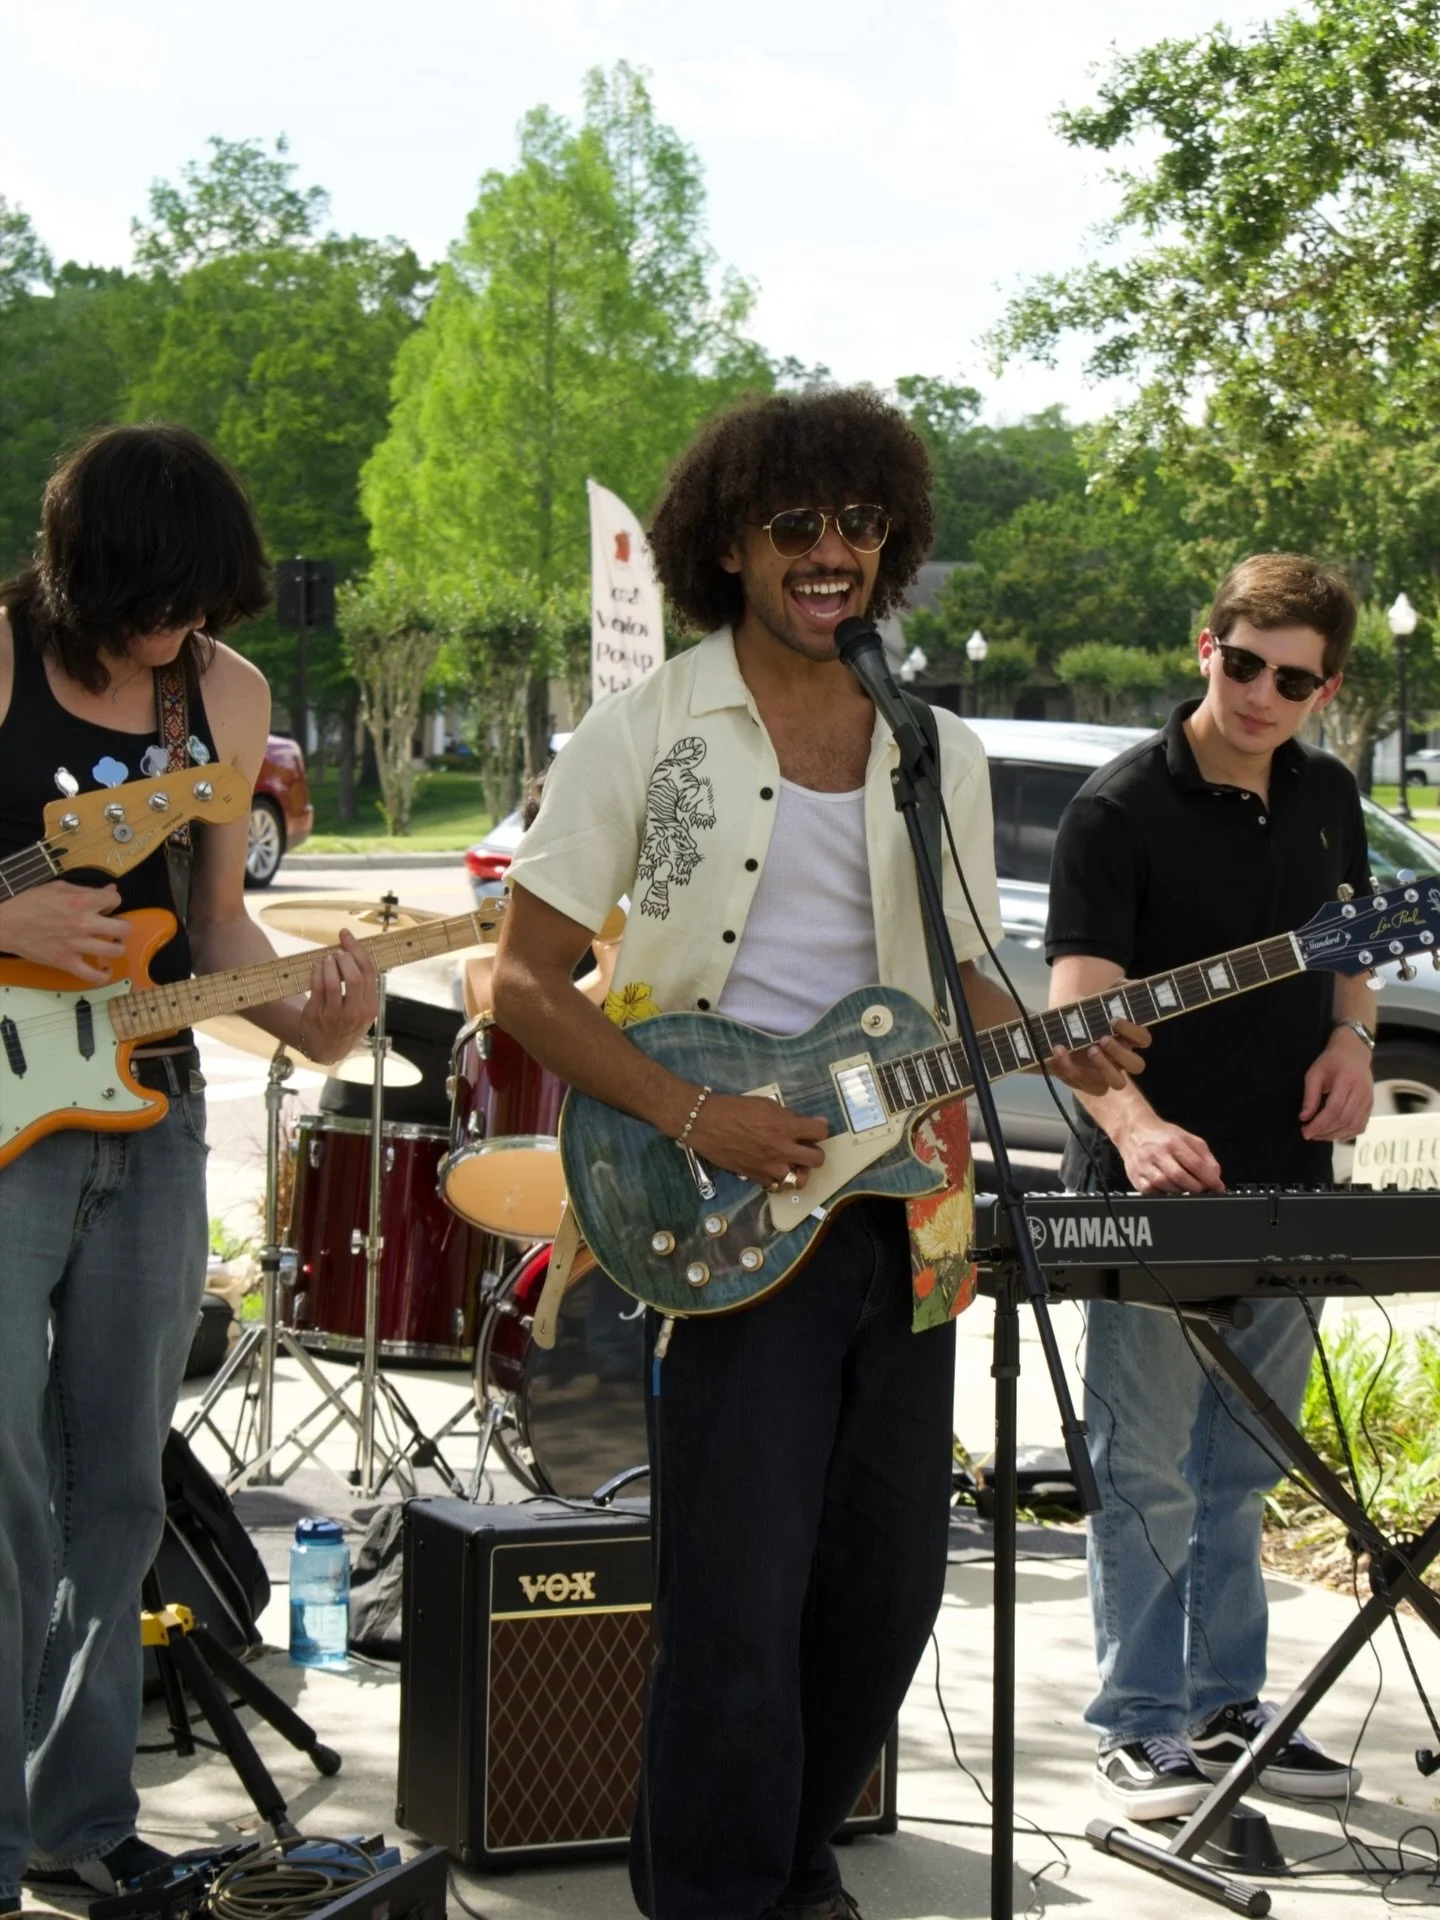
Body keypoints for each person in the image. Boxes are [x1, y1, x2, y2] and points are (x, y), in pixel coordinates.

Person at [491, 388, 1147, 1920]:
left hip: (903, 1204)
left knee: (887, 1585)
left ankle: (792, 1877)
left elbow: (959, 969)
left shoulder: (935, 747)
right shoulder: (652, 731)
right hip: (722, 1202)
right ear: (731, 544)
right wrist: (694, 1113)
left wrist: (1056, 1037)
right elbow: (522, 982)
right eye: (799, 526)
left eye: (860, 524)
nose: (833, 551)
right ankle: (718, 1897)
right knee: (733, 1604)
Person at [0, 424, 378, 1912]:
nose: (182, 633)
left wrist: (317, 1017)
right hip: (8, 1119)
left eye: (202, 610)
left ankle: (76, 1826)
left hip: (149, 1109)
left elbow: (215, 934)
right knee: (3, 1489)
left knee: (117, 1497)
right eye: (158, 605)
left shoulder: (222, 693)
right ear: (83, 572)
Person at [1044, 552, 1374, 1821]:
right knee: (1149, 1469)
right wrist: (1134, 1128)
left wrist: (1351, 1039)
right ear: (1206, 648)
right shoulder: (1120, 808)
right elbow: (1075, 1016)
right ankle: (1139, 1721)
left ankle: (1229, 1704)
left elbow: (1356, 944)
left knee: (1244, 1463)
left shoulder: (1331, 793)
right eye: (1245, 664)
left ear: (1324, 688)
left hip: (1289, 1177)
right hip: (1153, 1188)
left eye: (1294, 680)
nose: (1262, 695)